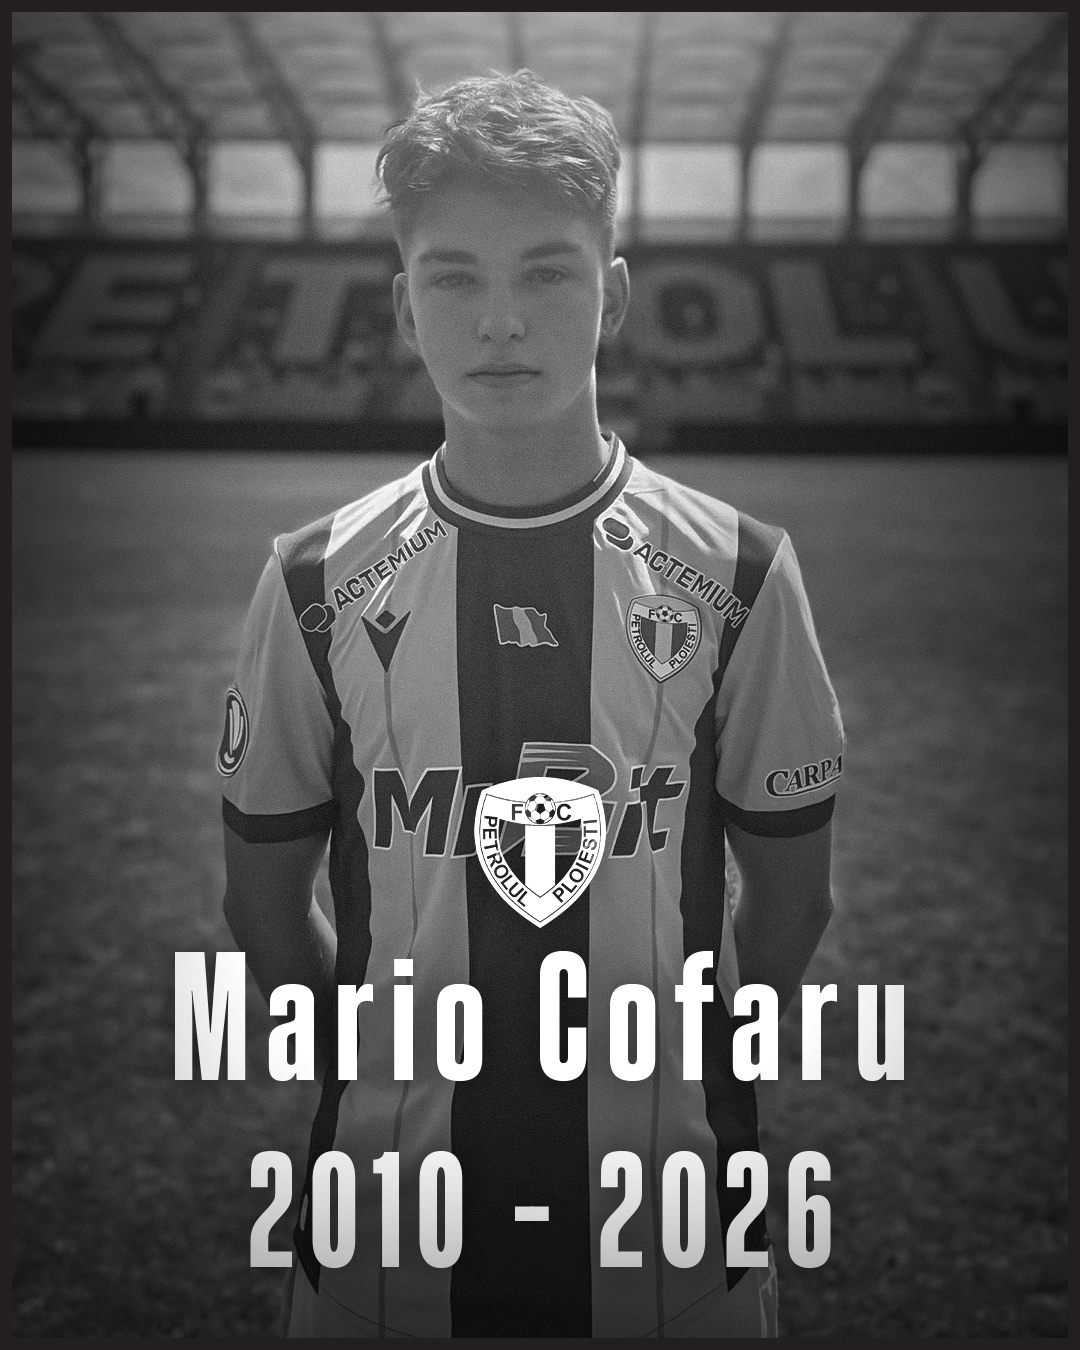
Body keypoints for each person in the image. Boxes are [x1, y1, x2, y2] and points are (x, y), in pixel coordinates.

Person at [220, 70, 843, 1339]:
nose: (500, 320)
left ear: (612, 294)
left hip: (674, 1264)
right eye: (453, 278)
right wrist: (382, 1079)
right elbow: (264, 911)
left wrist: (682, 1086)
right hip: (381, 1262)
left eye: (547, 273)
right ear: (405, 308)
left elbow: (790, 906)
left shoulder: (739, 573)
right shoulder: (312, 583)